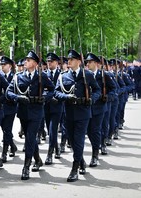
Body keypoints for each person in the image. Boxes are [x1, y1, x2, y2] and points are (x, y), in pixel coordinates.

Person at [5, 50, 55, 180]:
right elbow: (8, 92)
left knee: (30, 137)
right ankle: (38, 159)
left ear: (35, 63)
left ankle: (26, 166)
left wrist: (45, 97)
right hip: (23, 111)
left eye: (28, 60)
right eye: (25, 60)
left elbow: (52, 90)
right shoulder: (19, 77)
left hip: (37, 111)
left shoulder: (42, 76)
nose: (25, 62)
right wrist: (18, 97)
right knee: (30, 137)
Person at [54, 50, 101, 182]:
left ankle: (74, 168)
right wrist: (66, 96)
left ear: (79, 61)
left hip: (83, 112)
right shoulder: (63, 76)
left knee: (79, 139)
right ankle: (81, 161)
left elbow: (97, 90)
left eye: (72, 59)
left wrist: (92, 99)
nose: (69, 62)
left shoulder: (87, 75)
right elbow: (56, 92)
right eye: (68, 60)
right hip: (68, 112)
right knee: (72, 141)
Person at [85, 53, 116, 167]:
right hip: (87, 107)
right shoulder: (85, 75)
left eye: (89, 62)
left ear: (96, 63)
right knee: (89, 131)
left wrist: (107, 97)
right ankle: (97, 146)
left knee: (96, 130)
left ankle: (95, 155)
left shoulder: (104, 75)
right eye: (87, 62)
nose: (87, 64)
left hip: (99, 107)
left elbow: (113, 89)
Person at [44, 53, 64, 165]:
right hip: (46, 105)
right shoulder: (43, 75)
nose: (49, 63)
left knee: (52, 129)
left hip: (57, 106)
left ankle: (49, 154)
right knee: (50, 130)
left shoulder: (61, 74)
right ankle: (56, 148)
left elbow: (63, 89)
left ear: (56, 62)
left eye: (51, 61)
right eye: (48, 61)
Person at [0, 56, 18, 163]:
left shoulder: (14, 76)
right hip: (1, 107)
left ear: (9, 66)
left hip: (10, 107)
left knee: (7, 130)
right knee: (4, 129)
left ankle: (4, 152)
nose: (2, 66)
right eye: (1, 65)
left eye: (4, 65)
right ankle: (12, 145)